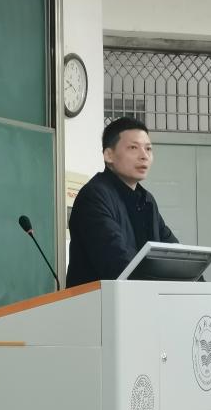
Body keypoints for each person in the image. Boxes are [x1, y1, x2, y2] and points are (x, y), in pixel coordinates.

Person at [66, 116, 178, 287]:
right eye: (133, 147)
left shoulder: (146, 199)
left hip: (138, 296)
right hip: (99, 301)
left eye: (148, 149)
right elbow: (117, 262)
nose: (144, 156)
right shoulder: (94, 196)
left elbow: (174, 253)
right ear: (109, 155)